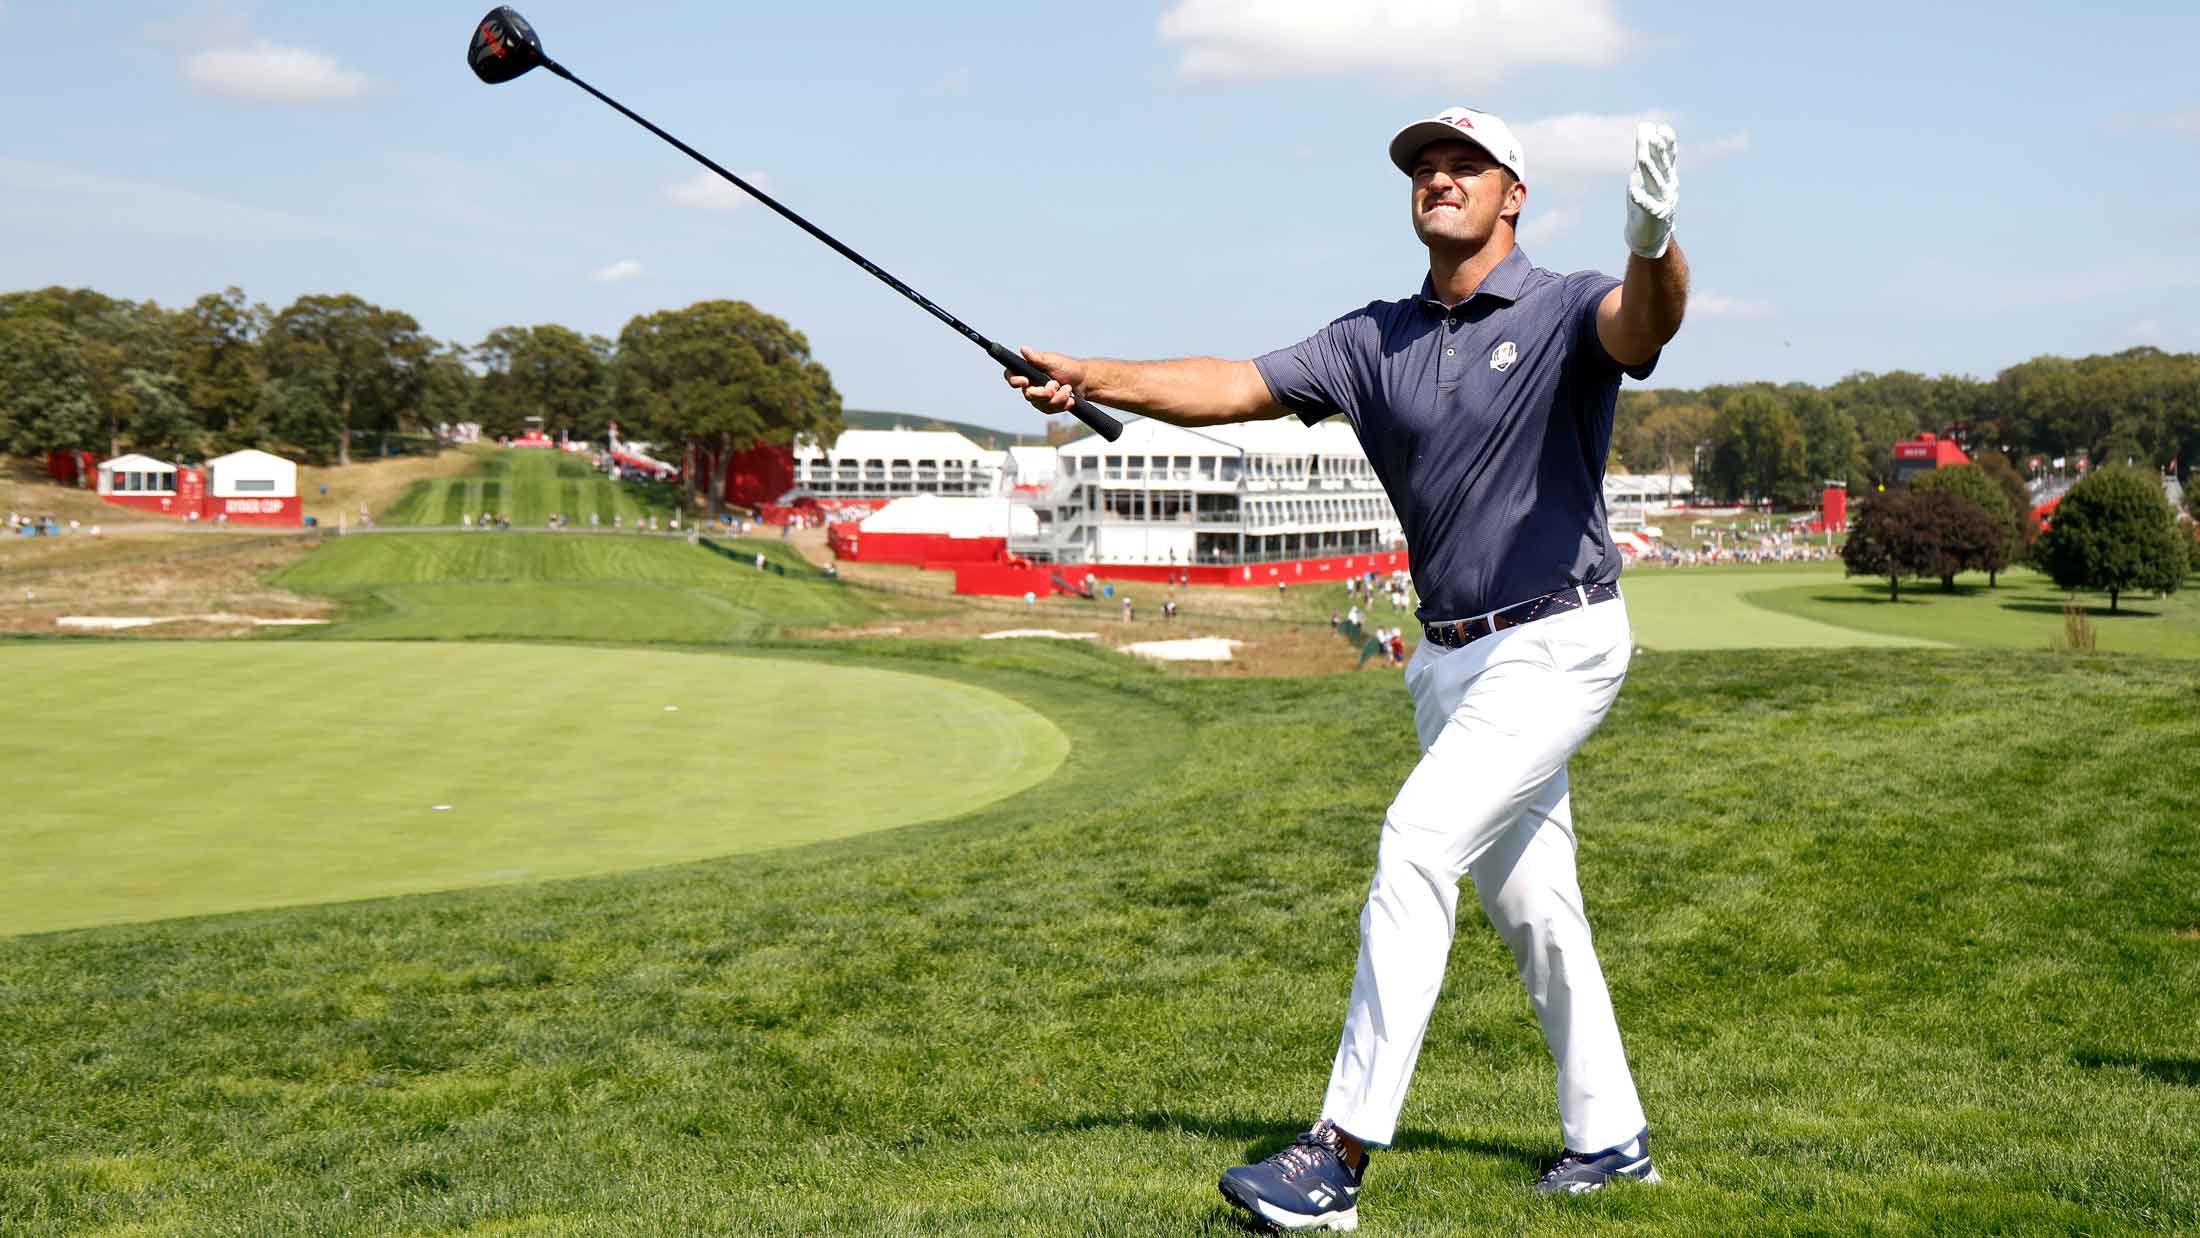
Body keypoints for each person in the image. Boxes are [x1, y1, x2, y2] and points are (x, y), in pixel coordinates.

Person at [1006, 106, 1687, 1230]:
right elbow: (1229, 383)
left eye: (1464, 163)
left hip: (1557, 637)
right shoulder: (1370, 339)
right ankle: (1608, 1139)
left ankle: (1337, 1154)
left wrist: (1653, 239)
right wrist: (1091, 375)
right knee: (1535, 905)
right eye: (1424, 165)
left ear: (1512, 192)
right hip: (1448, 658)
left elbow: (1642, 323)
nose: (1438, 177)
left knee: (1416, 842)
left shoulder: (1567, 304)